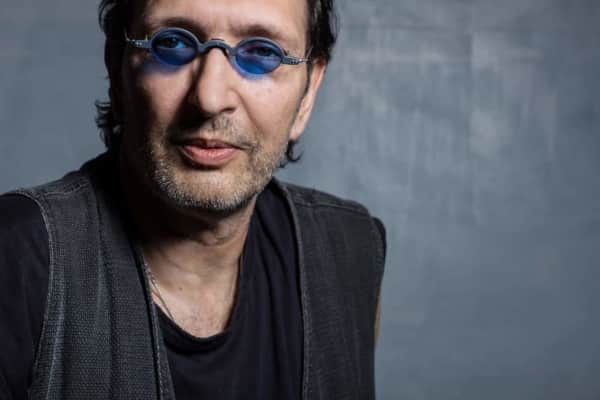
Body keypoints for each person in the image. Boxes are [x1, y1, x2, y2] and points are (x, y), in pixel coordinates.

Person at [0, 0, 386, 398]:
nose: (209, 98)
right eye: (172, 43)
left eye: (261, 52)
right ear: (117, 69)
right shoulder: (16, 256)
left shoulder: (351, 252)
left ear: (308, 92)